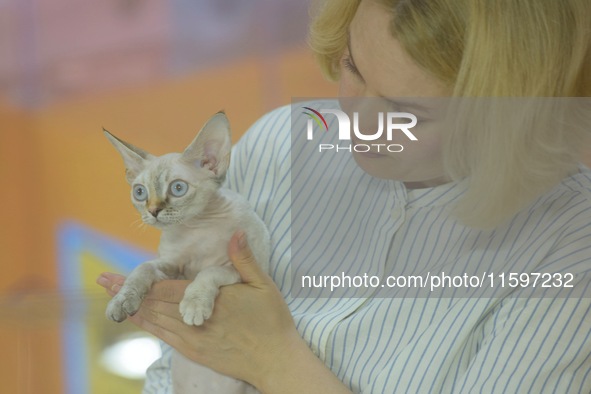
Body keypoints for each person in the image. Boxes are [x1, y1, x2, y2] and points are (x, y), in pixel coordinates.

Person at [97, 0, 591, 392]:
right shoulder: (281, 142)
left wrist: (275, 361)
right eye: (353, 67)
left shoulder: (569, 247)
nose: (358, 119)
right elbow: (170, 374)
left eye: (407, 110)